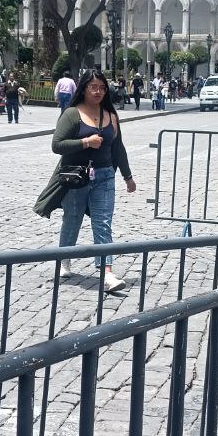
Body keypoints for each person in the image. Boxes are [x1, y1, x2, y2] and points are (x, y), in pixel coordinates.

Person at [47, 68, 137, 293]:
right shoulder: (72, 113)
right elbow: (57, 144)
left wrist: (128, 176)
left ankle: (107, 273)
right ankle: (64, 260)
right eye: (93, 87)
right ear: (84, 89)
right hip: (77, 177)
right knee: (72, 220)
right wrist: (85, 142)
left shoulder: (111, 116)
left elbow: (118, 149)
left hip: (105, 176)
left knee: (103, 223)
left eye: (101, 87)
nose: (98, 91)